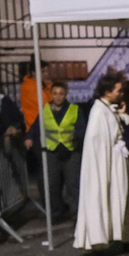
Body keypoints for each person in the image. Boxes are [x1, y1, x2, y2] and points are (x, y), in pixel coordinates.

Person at [74, 75, 129, 253]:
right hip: (110, 163)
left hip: (117, 160)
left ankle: (124, 235)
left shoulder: (107, 108)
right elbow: (98, 143)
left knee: (121, 197)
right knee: (113, 197)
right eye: (118, 91)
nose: (121, 94)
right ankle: (107, 239)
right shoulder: (98, 112)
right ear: (107, 92)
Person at [29, 82, 82, 219]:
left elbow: (82, 128)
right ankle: (57, 212)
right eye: (55, 93)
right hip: (52, 151)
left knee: (72, 184)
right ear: (51, 95)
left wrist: (75, 136)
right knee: (52, 184)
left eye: (61, 94)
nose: (58, 97)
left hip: (70, 151)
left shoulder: (74, 109)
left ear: (65, 95)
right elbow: (36, 127)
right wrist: (29, 138)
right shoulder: (45, 110)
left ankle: (76, 213)